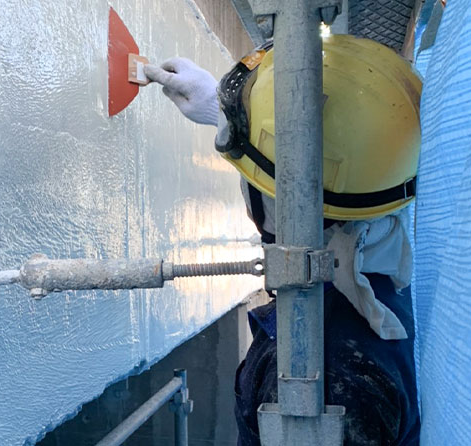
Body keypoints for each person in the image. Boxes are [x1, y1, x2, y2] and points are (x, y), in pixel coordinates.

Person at [145, 35, 421, 445]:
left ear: (286, 205)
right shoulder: (373, 263)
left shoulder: (325, 381)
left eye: (251, 178)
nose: (245, 185)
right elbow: (337, 147)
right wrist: (222, 113)